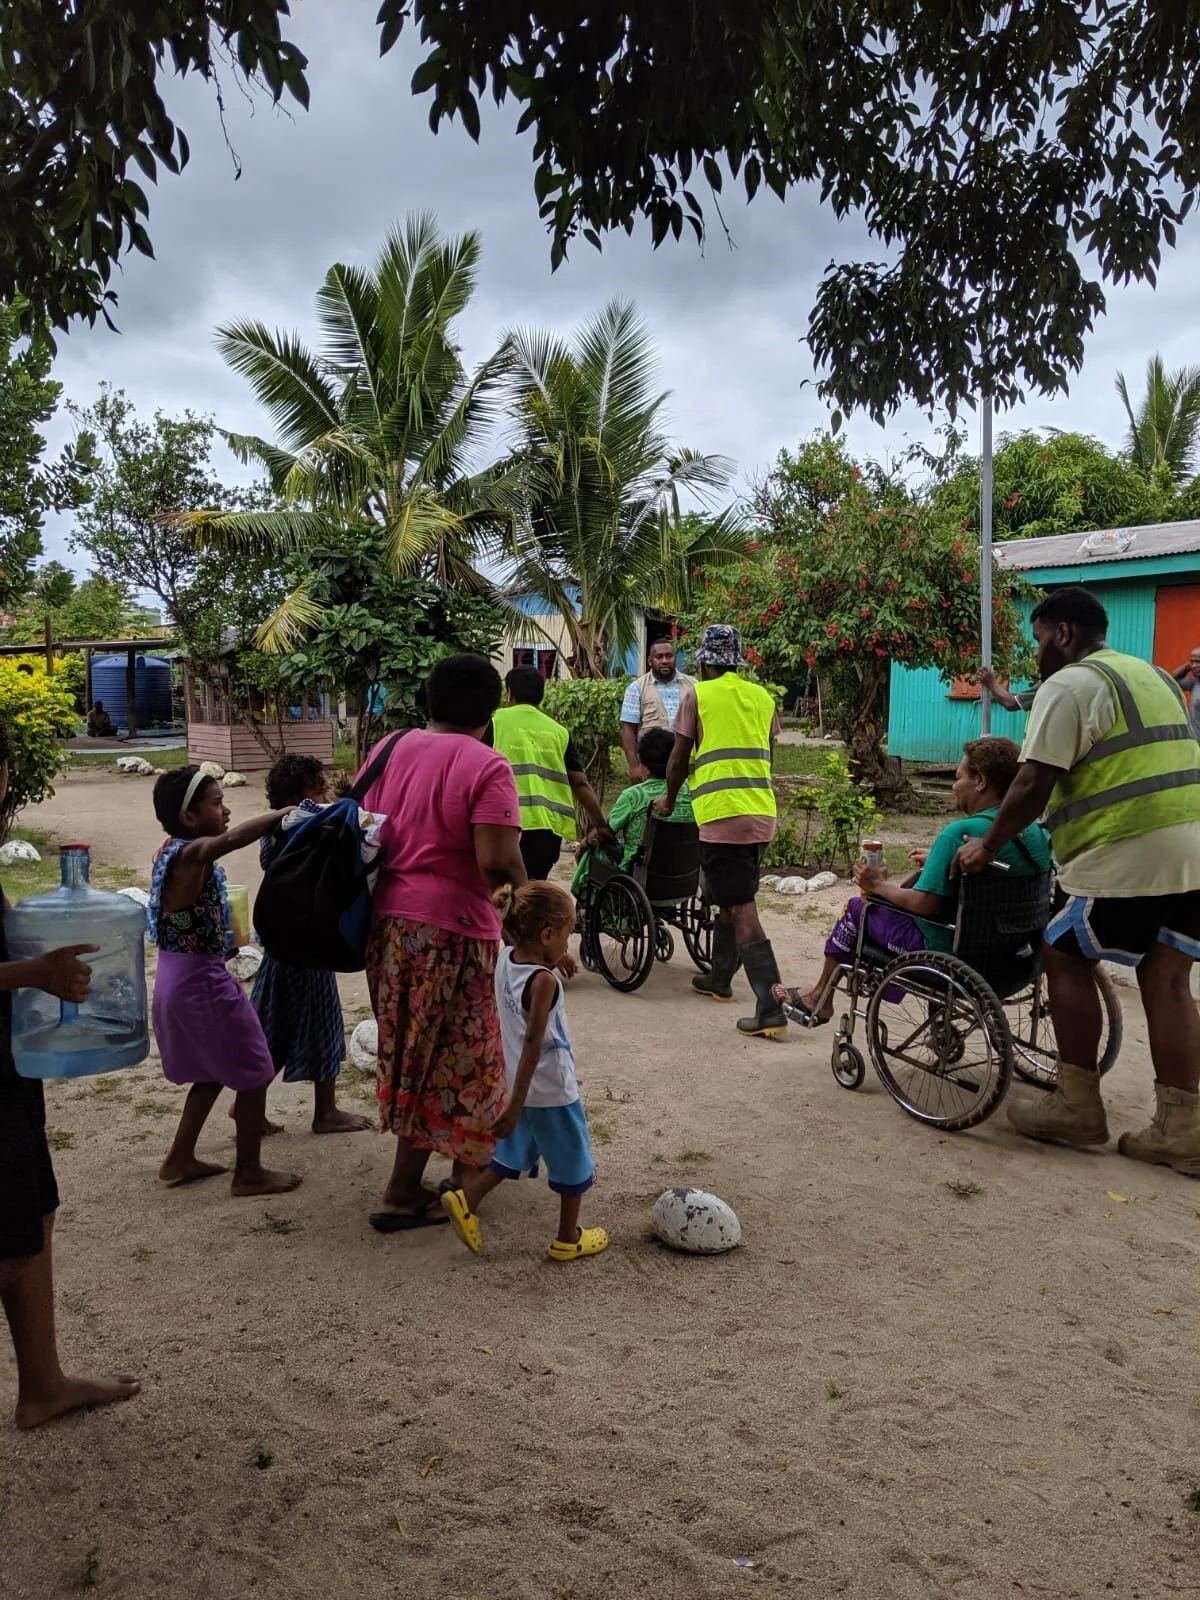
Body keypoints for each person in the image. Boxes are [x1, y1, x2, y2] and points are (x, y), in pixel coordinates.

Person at [956, 586, 1200, 1173]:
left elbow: (1032, 780)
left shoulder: (1070, 684)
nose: (1038, 651)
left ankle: (1076, 1106)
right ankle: (1184, 1130)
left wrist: (987, 845)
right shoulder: (1155, 677)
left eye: (1039, 639)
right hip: (1193, 848)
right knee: (1167, 979)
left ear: (1063, 633)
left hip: (1126, 847)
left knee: (1063, 953)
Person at [0, 724, 139, 1429]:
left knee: (32, 1213)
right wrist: (32, 973)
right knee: (16, 1231)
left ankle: (43, 1383)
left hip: (9, 1069)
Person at [357, 653, 526, 1232]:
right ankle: (403, 1191)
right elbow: (497, 861)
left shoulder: (388, 748)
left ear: (428, 699)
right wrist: (532, 906)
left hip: (387, 925)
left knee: (419, 1050)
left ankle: (462, 1170)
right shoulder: (486, 764)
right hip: (451, 930)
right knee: (453, 1056)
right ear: (492, 707)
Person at [774, 738, 1052, 1023]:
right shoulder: (1032, 831)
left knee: (857, 910)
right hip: (1017, 960)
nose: (954, 786)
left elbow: (924, 904)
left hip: (954, 957)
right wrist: (938, 859)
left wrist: (878, 885)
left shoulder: (958, 833)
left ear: (980, 781)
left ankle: (820, 996)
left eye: (958, 778)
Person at [148, 766, 301, 1197]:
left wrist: (216, 938)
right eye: (217, 804)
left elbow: (177, 915)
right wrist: (281, 814)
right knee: (255, 1070)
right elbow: (227, 842)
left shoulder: (168, 853)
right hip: (201, 983)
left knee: (211, 1071)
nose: (227, 809)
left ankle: (180, 1157)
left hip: (178, 973)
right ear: (190, 817)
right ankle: (248, 1173)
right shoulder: (193, 852)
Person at [441, 882, 606, 1261]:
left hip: (519, 1082)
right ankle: (569, 1238)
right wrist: (515, 1105)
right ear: (547, 934)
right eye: (567, 934)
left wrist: (517, 1099)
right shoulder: (544, 982)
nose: (569, 942)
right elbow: (536, 1042)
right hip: (550, 1089)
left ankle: (466, 1201)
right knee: (573, 1160)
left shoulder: (507, 959)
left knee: (516, 1151)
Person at [655, 623, 785, 1037]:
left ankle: (771, 1007)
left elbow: (678, 758)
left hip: (722, 815)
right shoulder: (762, 697)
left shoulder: (699, 694)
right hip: (761, 812)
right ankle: (719, 978)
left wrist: (671, 799)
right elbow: (768, 751)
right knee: (728, 898)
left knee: (742, 906)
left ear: (703, 659)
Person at [248, 755, 371, 1136]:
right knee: (316, 1027)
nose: (322, 791)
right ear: (297, 795)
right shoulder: (304, 823)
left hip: (284, 945)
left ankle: (254, 1105)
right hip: (305, 945)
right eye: (315, 786)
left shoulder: (278, 830)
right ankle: (324, 1112)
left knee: (276, 1028)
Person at [490, 665, 609, 880]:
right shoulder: (558, 732)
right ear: (541, 696)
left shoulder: (494, 722)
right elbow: (579, 782)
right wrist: (601, 825)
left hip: (504, 823)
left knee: (501, 893)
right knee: (533, 891)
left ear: (509, 694)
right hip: (547, 830)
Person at [570, 727, 694, 894]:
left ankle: (587, 906)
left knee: (594, 850)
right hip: (684, 877)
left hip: (640, 878)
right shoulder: (691, 791)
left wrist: (583, 845)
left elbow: (605, 831)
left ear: (647, 767)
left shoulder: (634, 796)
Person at [619, 639, 695, 779]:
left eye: (669, 656)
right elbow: (628, 729)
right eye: (659, 657)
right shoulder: (636, 688)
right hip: (652, 769)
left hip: (688, 765)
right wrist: (634, 766)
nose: (665, 661)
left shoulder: (693, 686)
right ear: (650, 661)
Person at [1172, 645, 1200, 742]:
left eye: (1198, 662)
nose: (1194, 665)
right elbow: (1172, 679)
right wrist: (1189, 666)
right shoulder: (1194, 683)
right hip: (1194, 742)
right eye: (1192, 662)